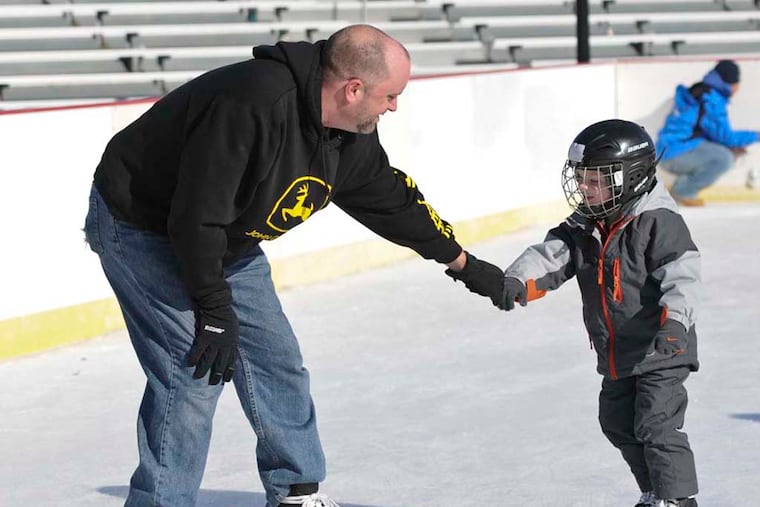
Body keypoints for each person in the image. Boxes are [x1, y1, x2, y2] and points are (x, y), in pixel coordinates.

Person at [83, 24, 502, 507]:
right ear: (353, 89)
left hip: (223, 237)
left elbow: (391, 202)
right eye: (390, 95)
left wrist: (464, 264)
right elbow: (195, 215)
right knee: (192, 371)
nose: (393, 106)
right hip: (144, 225)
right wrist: (214, 311)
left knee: (277, 361)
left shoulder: (349, 135)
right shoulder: (252, 104)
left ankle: (295, 493)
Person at [450, 120, 701, 507]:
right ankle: (654, 491)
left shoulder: (658, 222)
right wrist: (516, 280)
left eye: (596, 179)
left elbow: (682, 277)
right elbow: (550, 257)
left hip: (662, 348)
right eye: (581, 178)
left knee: (657, 424)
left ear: (630, 177)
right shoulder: (585, 224)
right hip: (617, 353)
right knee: (617, 422)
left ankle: (677, 500)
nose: (584, 187)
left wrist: (675, 324)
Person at [656, 59, 759, 206]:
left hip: (666, 151)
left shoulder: (702, 91)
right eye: (737, 82)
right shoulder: (711, 100)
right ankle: (683, 190)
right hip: (674, 154)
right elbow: (726, 137)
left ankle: (683, 188)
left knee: (723, 152)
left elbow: (708, 132)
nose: (738, 87)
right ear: (730, 83)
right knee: (724, 158)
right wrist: (756, 136)